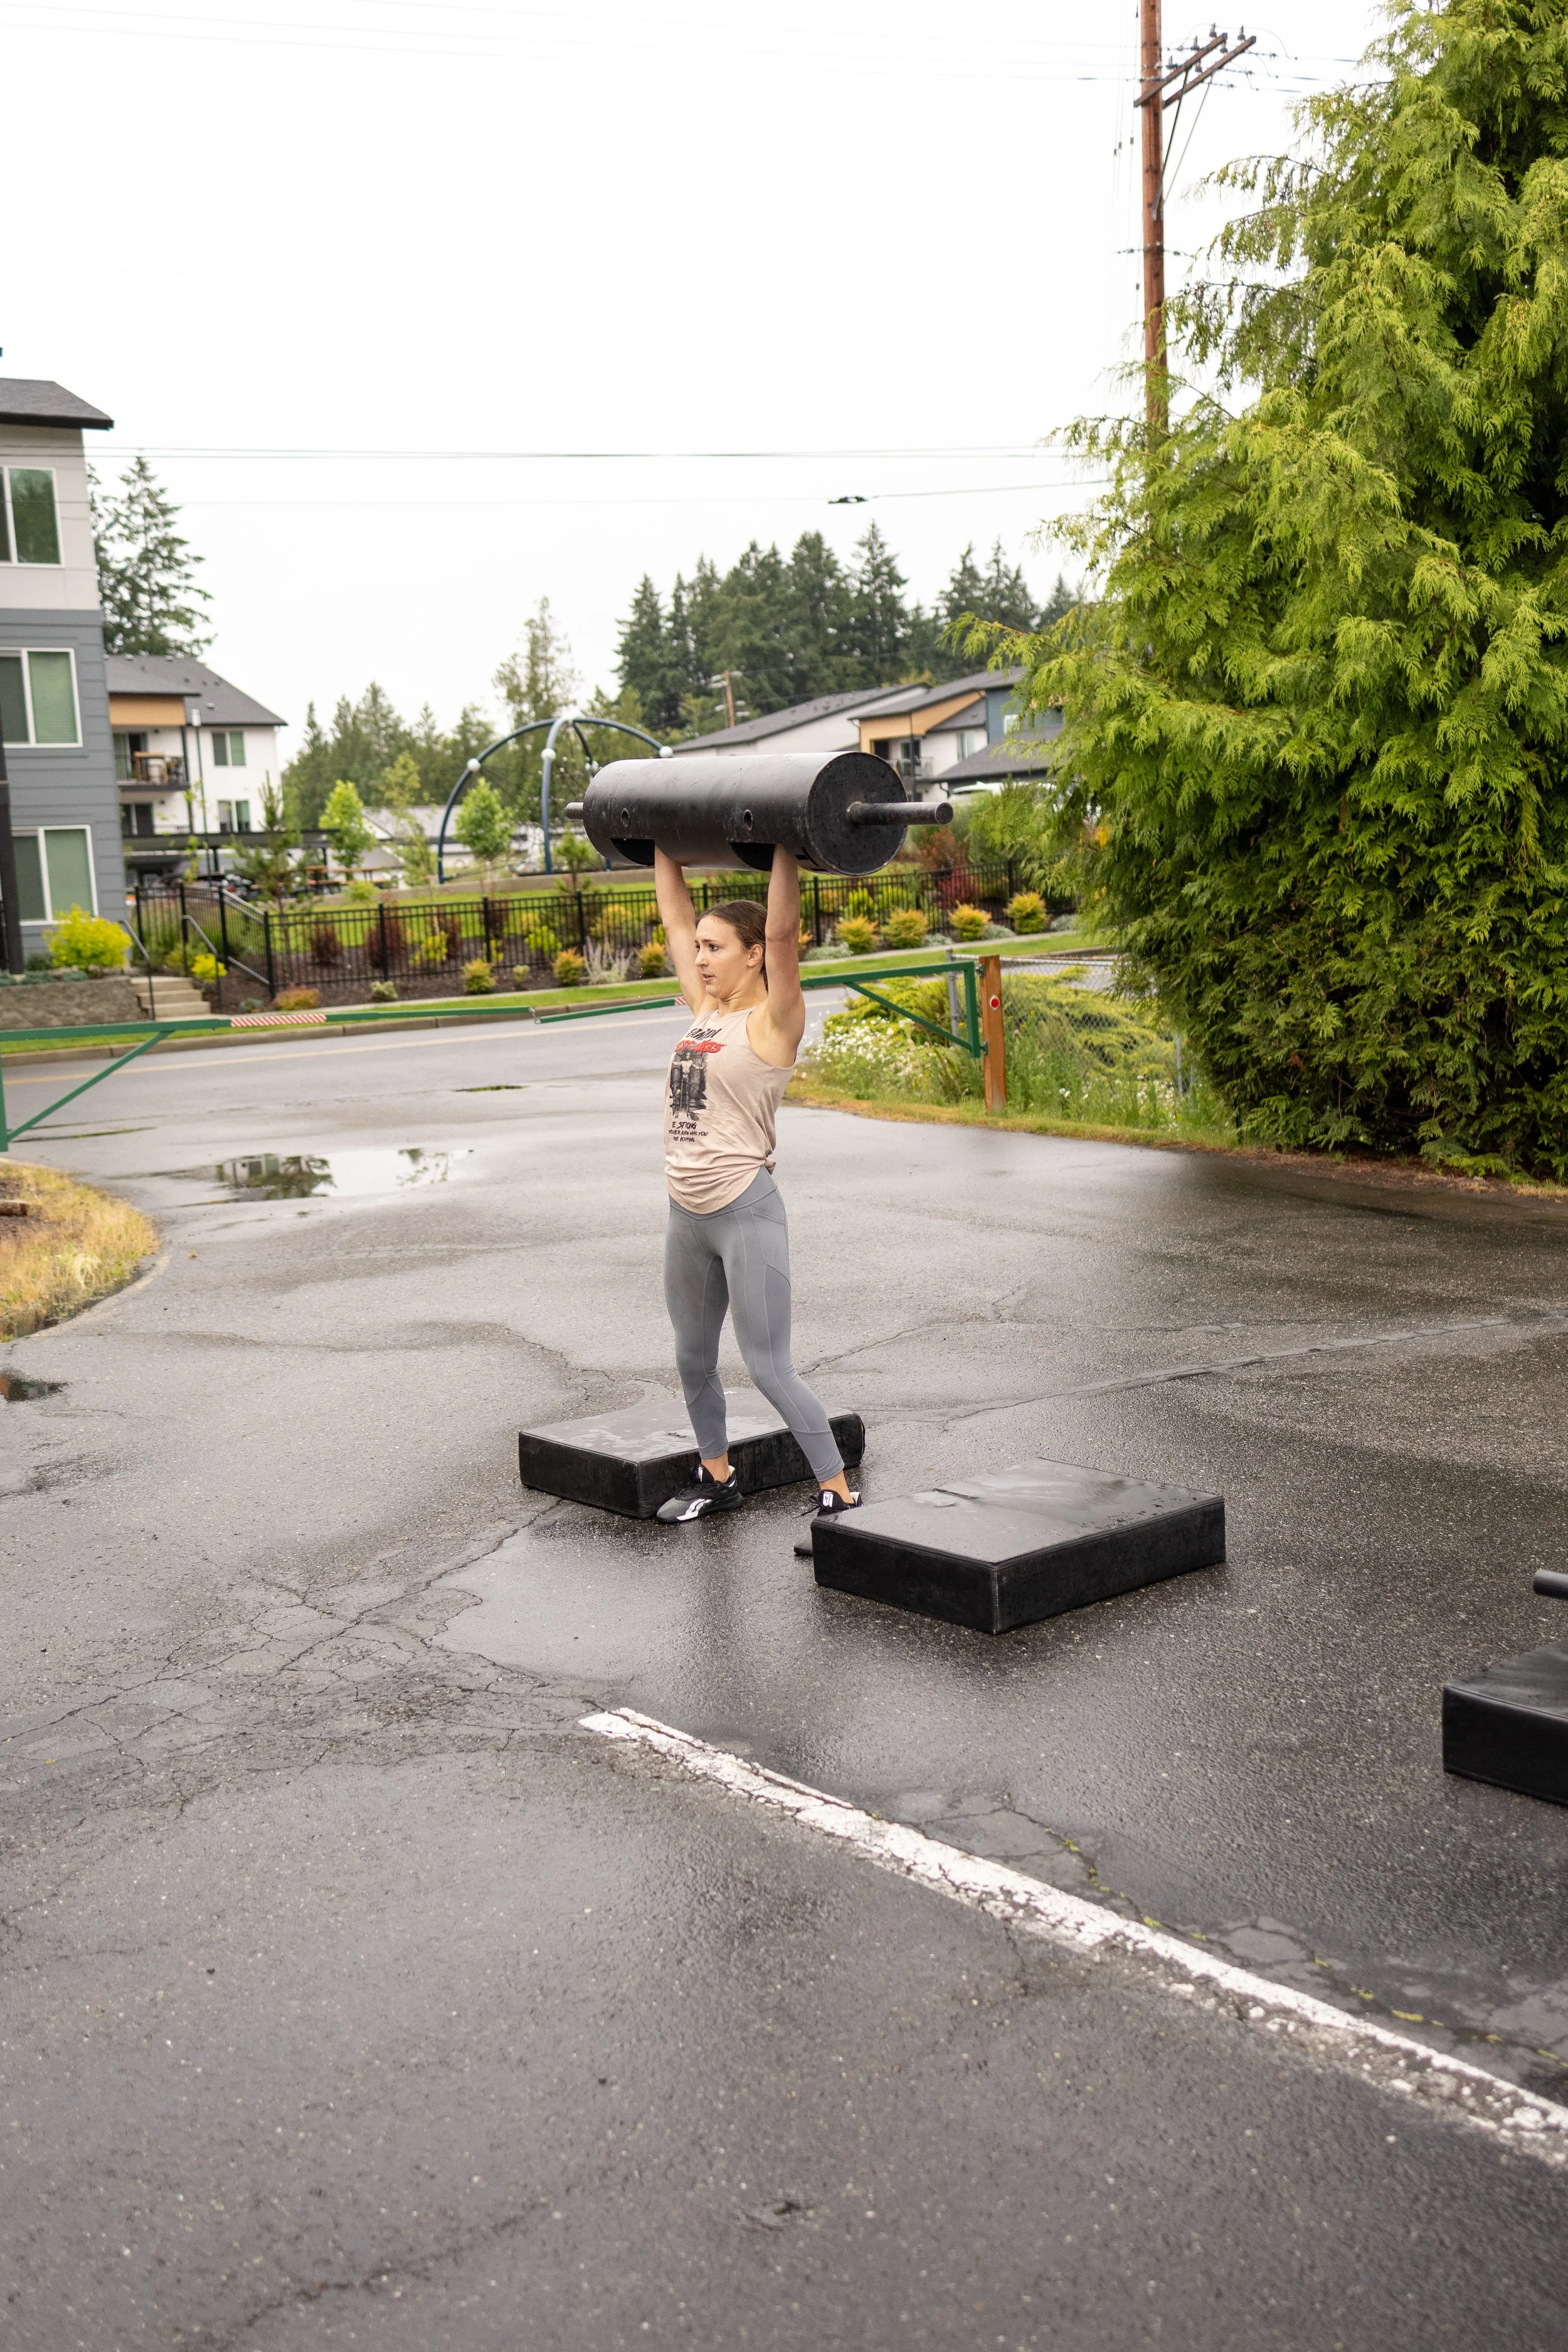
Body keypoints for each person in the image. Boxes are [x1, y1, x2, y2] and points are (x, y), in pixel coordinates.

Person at [651, 841, 859, 1528]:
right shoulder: (704, 1010)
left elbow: (781, 931)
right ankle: (716, 1476)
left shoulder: (773, 1021)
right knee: (691, 1359)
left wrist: (782, 838)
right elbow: (674, 917)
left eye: (716, 948)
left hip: (744, 1209)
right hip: (686, 1212)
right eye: (700, 950)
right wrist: (659, 833)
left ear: (751, 956)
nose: (701, 958)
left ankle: (836, 1486)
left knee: (768, 1365)